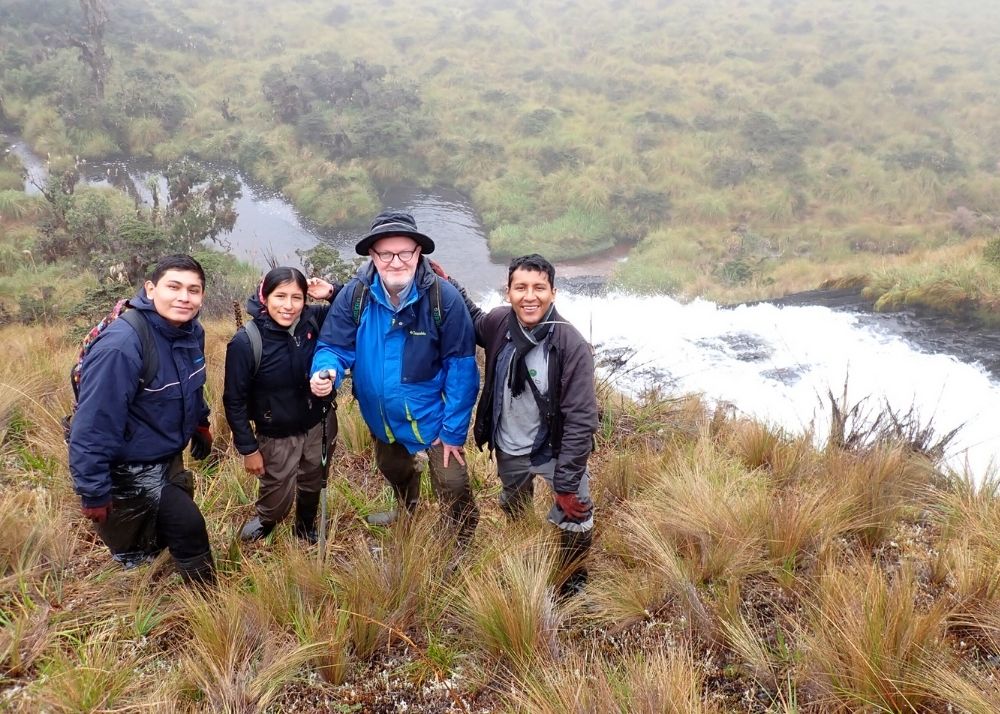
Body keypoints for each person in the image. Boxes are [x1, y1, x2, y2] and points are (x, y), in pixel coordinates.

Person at [432, 254, 598, 596]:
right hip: (509, 444)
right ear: (508, 292)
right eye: (520, 287)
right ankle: (526, 544)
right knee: (514, 503)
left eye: (539, 288)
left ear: (553, 292)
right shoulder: (499, 323)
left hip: (554, 448)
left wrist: (565, 484)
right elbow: (474, 319)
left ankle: (572, 575)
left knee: (576, 514)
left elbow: (582, 418)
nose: (530, 296)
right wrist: (450, 284)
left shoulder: (571, 345)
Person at [310, 210, 480, 541]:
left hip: (432, 416)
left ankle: (462, 534)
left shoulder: (443, 298)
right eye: (386, 253)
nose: (396, 261)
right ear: (373, 256)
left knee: (451, 481)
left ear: (419, 253)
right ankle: (407, 511)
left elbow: (461, 370)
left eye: (405, 252)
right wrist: (325, 370)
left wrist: (453, 431)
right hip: (380, 417)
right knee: (393, 469)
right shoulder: (355, 296)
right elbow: (333, 345)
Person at [69, 254, 216, 585]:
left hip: (163, 453)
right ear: (150, 289)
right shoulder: (122, 346)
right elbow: (93, 425)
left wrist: (200, 423)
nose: (184, 297)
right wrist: (93, 491)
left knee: (165, 527)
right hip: (127, 465)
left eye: (194, 290)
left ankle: (163, 576)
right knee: (189, 525)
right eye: (174, 286)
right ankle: (209, 603)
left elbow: (191, 385)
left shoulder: (191, 332)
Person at [223, 267, 339, 544]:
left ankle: (305, 525)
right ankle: (267, 519)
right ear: (265, 296)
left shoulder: (314, 320)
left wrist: (332, 291)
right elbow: (233, 400)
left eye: (296, 297)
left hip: (318, 421)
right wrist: (248, 449)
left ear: (305, 300)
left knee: (314, 478)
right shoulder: (246, 341)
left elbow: (354, 308)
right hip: (276, 433)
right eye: (280, 296)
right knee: (277, 490)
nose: (288, 306)